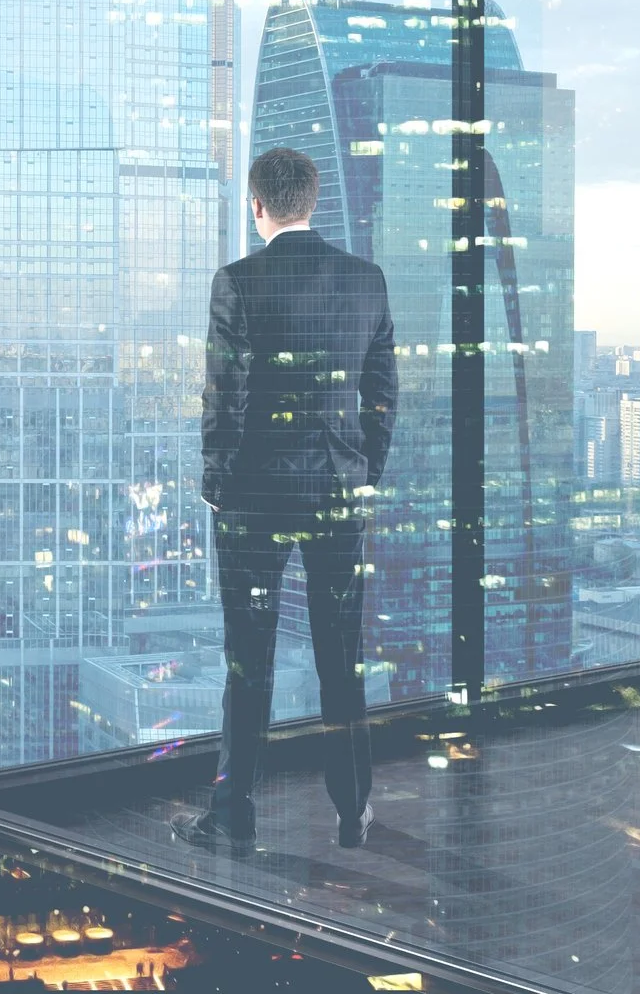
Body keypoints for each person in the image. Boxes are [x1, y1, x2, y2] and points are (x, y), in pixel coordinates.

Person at [174, 147, 397, 852]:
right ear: (313, 200)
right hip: (337, 489)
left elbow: (225, 395)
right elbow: (382, 393)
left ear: (256, 204)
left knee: (249, 657)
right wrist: (365, 471)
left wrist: (216, 482)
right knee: (341, 653)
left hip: (255, 498)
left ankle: (234, 814)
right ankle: (352, 812)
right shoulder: (366, 281)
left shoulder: (237, 281)